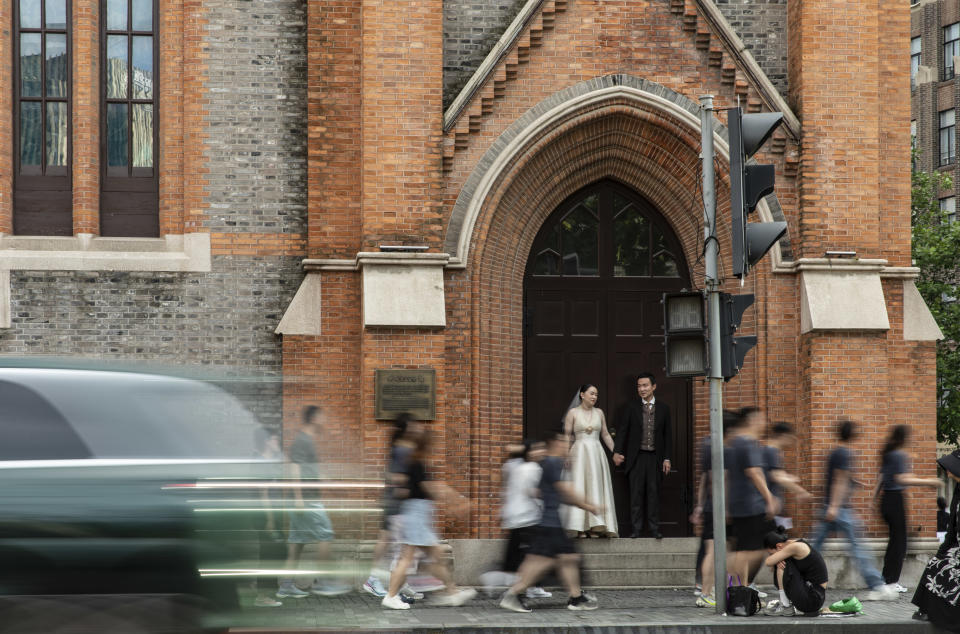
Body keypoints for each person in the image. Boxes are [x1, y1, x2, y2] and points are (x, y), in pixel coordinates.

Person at [499, 433, 601, 613]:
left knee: (568, 558)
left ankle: (576, 598)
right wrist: (588, 505)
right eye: (564, 443)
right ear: (555, 443)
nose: (567, 447)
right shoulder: (553, 463)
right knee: (542, 562)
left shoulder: (547, 464)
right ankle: (514, 594)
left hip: (551, 522)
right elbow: (564, 491)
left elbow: (544, 492)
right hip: (550, 524)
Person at [381, 431, 477, 610]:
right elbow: (430, 488)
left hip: (417, 513)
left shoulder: (412, 462)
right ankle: (391, 595)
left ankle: (452, 592)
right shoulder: (417, 463)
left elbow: (409, 488)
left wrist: (454, 500)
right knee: (409, 558)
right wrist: (457, 502)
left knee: (435, 556)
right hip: (416, 515)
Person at [810, 419, 897, 601]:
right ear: (852, 434)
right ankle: (877, 586)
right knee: (858, 548)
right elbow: (839, 479)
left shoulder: (835, 452)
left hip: (833, 508)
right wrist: (834, 506)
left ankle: (801, 578)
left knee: (815, 548)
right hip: (839, 510)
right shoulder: (844, 453)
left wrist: (855, 482)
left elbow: (842, 477)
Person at [277, 406, 351, 598]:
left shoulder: (307, 441)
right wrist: (299, 499)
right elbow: (294, 469)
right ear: (314, 418)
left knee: (297, 544)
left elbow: (309, 471)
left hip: (303, 499)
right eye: (322, 416)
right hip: (306, 499)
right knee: (325, 535)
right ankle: (324, 582)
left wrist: (327, 480)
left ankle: (285, 586)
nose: (325, 420)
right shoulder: (302, 441)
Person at [363, 413, 423, 601]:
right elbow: (393, 475)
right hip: (396, 503)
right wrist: (405, 485)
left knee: (393, 542)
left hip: (397, 502)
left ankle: (399, 582)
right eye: (413, 425)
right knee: (390, 541)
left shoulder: (403, 448)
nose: (416, 428)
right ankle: (373, 579)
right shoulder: (400, 450)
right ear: (406, 428)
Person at [873, 424, 940, 593]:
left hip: (886, 499)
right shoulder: (899, 455)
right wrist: (929, 482)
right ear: (904, 438)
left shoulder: (888, 454)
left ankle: (887, 580)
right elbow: (901, 479)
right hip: (895, 500)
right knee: (899, 543)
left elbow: (881, 477)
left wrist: (873, 499)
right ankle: (891, 582)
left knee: (895, 541)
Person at [481, 440, 551, 597]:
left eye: (541, 449)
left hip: (516, 516)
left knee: (518, 554)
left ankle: (529, 585)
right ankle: (525, 585)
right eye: (535, 449)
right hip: (527, 517)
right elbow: (533, 492)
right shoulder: (531, 468)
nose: (540, 452)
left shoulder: (517, 467)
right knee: (533, 555)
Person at [612, 372, 672, 539]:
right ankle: (636, 529)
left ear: (653, 387)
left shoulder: (664, 408)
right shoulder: (631, 407)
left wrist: (667, 458)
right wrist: (617, 451)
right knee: (636, 494)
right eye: (639, 386)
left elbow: (668, 435)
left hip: (655, 457)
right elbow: (623, 431)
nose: (642, 389)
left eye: (645, 385)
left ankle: (654, 529)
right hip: (636, 457)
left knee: (653, 494)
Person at [690, 409, 738, 608]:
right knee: (718, 550)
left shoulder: (707, 445)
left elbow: (703, 479)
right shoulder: (724, 448)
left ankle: (708, 591)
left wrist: (700, 506)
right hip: (720, 506)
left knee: (713, 549)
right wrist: (726, 508)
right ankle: (708, 592)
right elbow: (720, 479)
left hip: (710, 505)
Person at [725, 407, 778, 585]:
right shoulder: (746, 442)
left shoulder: (733, 443)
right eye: (762, 419)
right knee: (750, 550)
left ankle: (738, 589)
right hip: (751, 505)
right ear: (753, 420)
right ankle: (739, 589)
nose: (764, 423)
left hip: (741, 504)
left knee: (744, 548)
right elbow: (754, 472)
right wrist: (769, 498)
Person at [912, 449, 960, 628]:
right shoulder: (957, 492)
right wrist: (943, 551)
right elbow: (952, 528)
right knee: (936, 563)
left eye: (951, 468)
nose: (947, 472)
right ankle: (926, 608)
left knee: (946, 567)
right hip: (956, 544)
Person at [562, 384, 618, 537]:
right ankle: (579, 527)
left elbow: (605, 434)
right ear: (582, 395)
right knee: (580, 487)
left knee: (595, 487)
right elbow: (567, 435)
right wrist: (566, 455)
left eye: (596, 395)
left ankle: (595, 527)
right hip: (579, 453)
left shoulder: (599, 413)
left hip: (596, 453)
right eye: (592, 393)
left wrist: (615, 452)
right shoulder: (573, 413)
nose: (594, 397)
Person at [761, 530, 829, 617]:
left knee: (783, 563)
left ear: (779, 546)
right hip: (813, 597)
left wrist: (776, 559)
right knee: (780, 561)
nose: (770, 555)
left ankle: (786, 606)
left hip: (812, 599)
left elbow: (768, 562)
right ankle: (786, 604)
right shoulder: (793, 544)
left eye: (771, 553)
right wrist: (776, 559)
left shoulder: (795, 547)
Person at [253, 427, 284, 607]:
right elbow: (263, 493)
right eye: (274, 439)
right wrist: (270, 519)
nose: (277, 442)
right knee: (268, 555)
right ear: (266, 441)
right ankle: (262, 596)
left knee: (271, 553)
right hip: (265, 516)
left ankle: (264, 593)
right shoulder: (261, 462)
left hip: (268, 515)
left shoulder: (266, 461)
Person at [763, 421, 811, 531]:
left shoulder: (771, 451)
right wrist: (801, 491)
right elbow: (777, 476)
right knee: (777, 543)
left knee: (779, 541)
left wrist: (790, 478)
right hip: (772, 506)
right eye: (791, 437)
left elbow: (775, 474)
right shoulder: (771, 451)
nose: (792, 440)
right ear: (784, 435)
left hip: (774, 505)